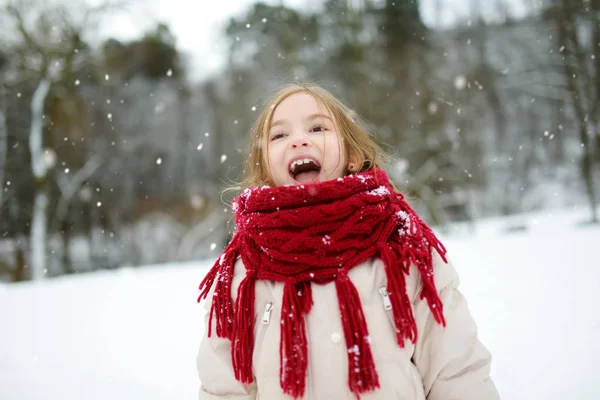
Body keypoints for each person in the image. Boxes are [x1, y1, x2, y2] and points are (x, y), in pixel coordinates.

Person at [195, 83, 500, 400]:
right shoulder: (245, 271)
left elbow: (456, 370)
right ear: (264, 168)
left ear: (352, 156)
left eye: (317, 127)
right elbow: (225, 388)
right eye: (279, 135)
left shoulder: (401, 247)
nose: (299, 139)